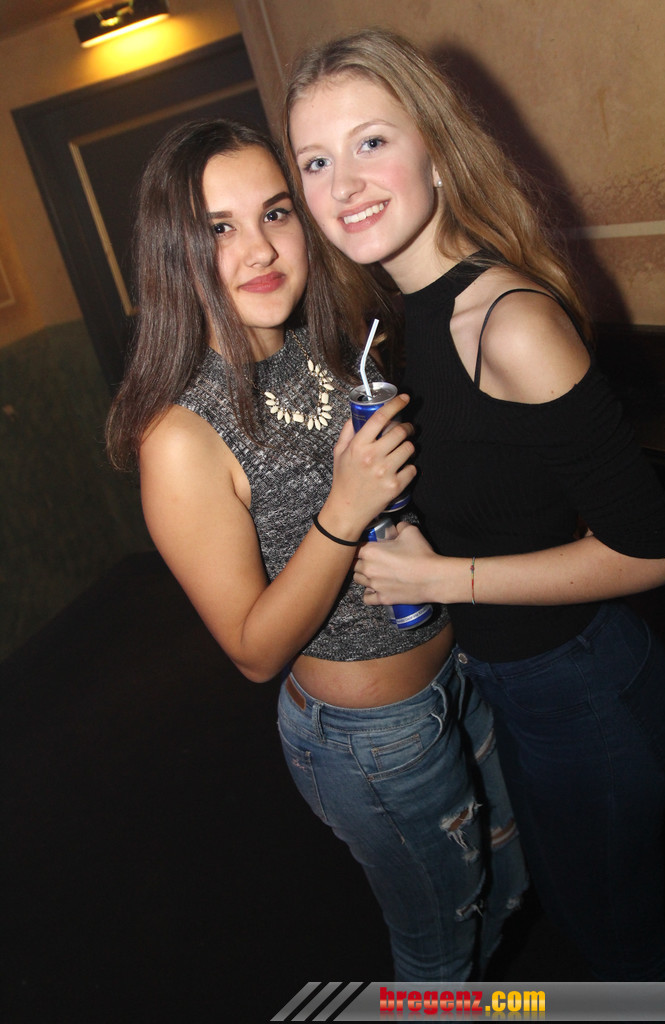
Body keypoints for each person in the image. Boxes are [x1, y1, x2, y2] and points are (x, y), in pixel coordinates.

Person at [283, 29, 665, 981]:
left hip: (585, 690)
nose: (344, 184)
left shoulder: (508, 321)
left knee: (617, 944)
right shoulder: (396, 318)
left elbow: (651, 549)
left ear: (434, 147)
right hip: (509, 684)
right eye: (315, 160)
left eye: (371, 141)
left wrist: (439, 577)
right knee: (573, 911)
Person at [105, 118, 526, 982]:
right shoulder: (180, 435)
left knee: (509, 885)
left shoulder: (323, 347)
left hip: (461, 674)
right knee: (442, 954)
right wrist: (345, 509)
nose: (260, 248)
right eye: (219, 228)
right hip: (375, 741)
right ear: (172, 251)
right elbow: (253, 651)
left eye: (275, 212)